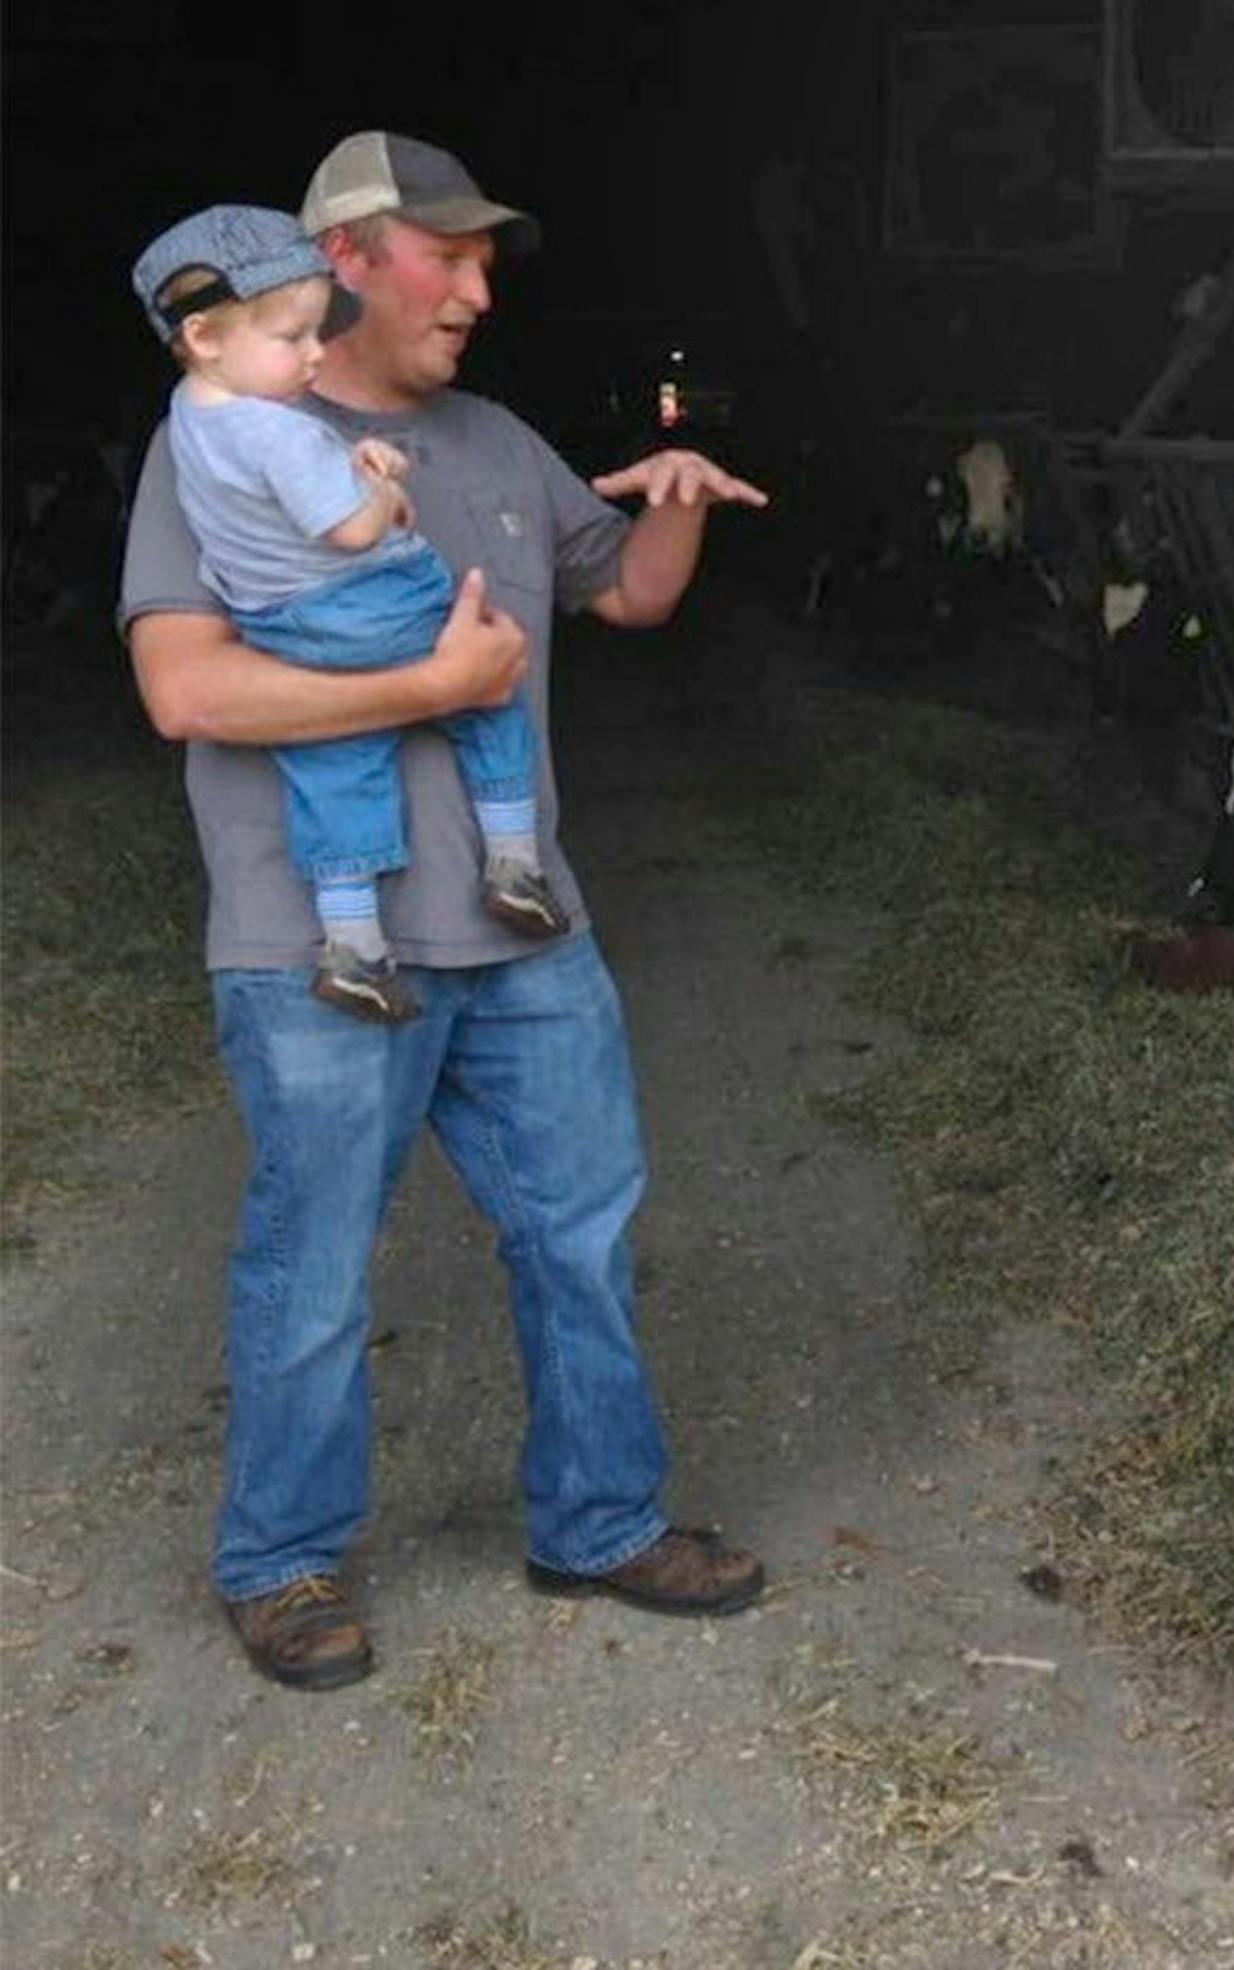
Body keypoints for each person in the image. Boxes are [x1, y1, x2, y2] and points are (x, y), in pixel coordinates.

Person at [119, 130, 772, 1693]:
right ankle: (280, 1560)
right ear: (342, 260)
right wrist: (429, 683)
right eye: (451, 254)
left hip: (528, 937)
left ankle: (601, 1519)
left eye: (488, 262)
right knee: (317, 1260)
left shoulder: (493, 441)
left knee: (583, 1233)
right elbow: (181, 684)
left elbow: (630, 596)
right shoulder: (220, 436)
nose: (480, 288)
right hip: (316, 944)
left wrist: (676, 494)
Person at [130, 203, 572, 1024]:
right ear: (204, 337)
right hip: (367, 601)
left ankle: (353, 944)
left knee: (334, 764)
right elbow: (353, 529)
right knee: (489, 694)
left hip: (278, 620)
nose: (312, 353)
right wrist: (384, 485)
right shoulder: (280, 432)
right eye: (292, 336)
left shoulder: (190, 417)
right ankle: (513, 859)